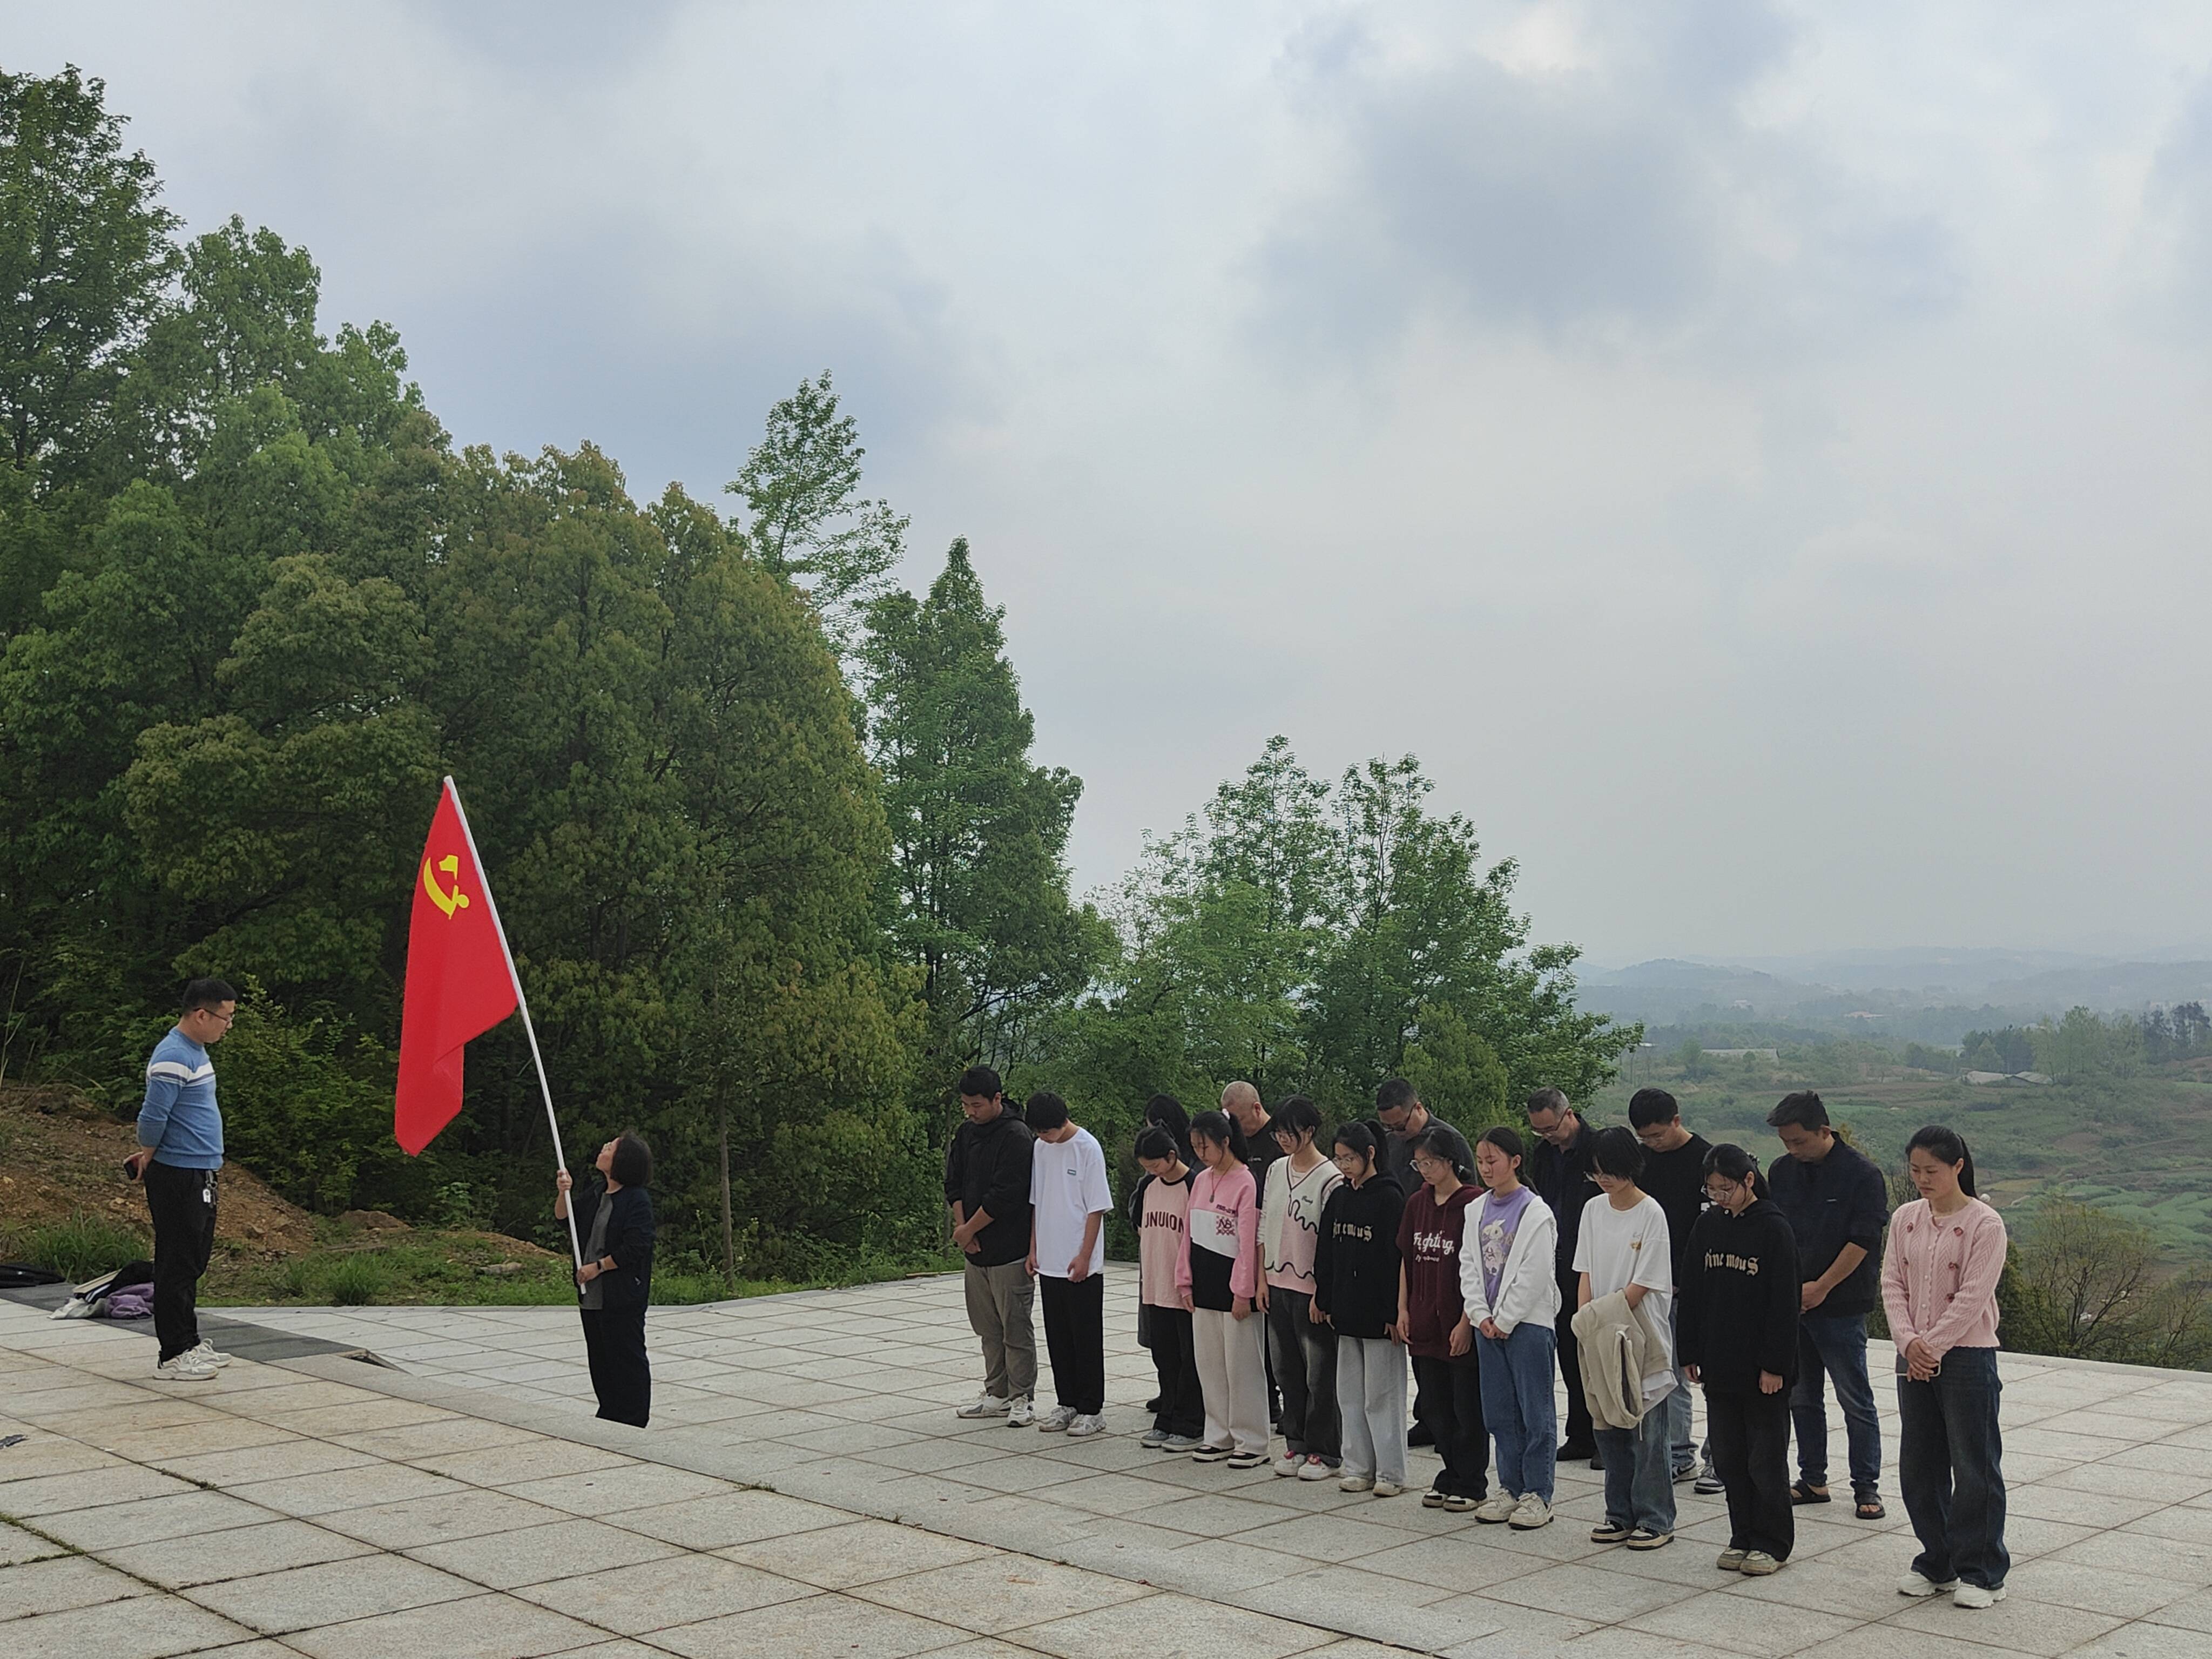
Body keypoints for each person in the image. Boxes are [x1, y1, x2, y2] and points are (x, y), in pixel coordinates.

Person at [1885, 1125, 2010, 1611]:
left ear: (1958, 1167)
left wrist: (1930, 1347)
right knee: (1920, 1464)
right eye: (1914, 1171)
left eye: (1931, 1171)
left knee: (1974, 1464)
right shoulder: (1906, 1218)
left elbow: (1973, 1297)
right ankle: (1937, 1562)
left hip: (1966, 1357)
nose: (1921, 1180)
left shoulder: (1986, 1224)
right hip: (1912, 1353)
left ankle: (1983, 1571)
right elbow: (1893, 1282)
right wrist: (1908, 1342)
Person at [1765, 1091, 1890, 1520]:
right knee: (1802, 1396)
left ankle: (1866, 1486)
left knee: (1854, 1398)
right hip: (1791, 1304)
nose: (1792, 1150)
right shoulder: (1781, 1172)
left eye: (1799, 1141)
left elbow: (1863, 1239)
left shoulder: (1862, 1175)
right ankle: (1813, 1478)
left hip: (1841, 1303)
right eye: (1786, 1143)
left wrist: (1821, 1286)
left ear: (1824, 1130)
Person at [1679, 1143, 1798, 1577]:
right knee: (1729, 1457)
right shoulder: (1707, 1225)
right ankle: (1741, 1534)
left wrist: (1775, 1366)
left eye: (1725, 1188)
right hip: (1720, 1364)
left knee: (1765, 1458)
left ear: (1749, 1181)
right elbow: (1691, 1292)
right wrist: (1689, 1351)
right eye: (1711, 1189)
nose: (1718, 1196)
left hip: (1762, 1369)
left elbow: (1784, 1304)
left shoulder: (1774, 1229)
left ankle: (1773, 1541)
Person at [1571, 1126, 1677, 1550]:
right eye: (1596, 1172)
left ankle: (1656, 1518)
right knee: (1607, 1424)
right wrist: (1586, 1320)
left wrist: (1599, 1315)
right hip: (1598, 1329)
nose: (1604, 1179)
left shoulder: (1651, 1213)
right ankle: (1619, 1513)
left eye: (1611, 1171)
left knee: (1650, 1430)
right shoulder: (1593, 1210)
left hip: (1640, 1332)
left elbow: (1643, 1285)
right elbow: (1585, 1272)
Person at [128, 979, 237, 1380]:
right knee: (176, 1262)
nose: (228, 1026)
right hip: (178, 1173)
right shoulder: (173, 1055)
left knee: (192, 1259)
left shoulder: (197, 1052)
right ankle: (172, 1353)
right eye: (226, 1018)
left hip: (200, 1168)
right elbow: (153, 1117)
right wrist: (149, 1157)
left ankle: (188, 1341)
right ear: (201, 1015)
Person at [1460, 1126, 1559, 1530]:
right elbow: (1469, 1265)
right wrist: (1479, 1315)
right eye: (1481, 1161)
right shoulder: (1475, 1210)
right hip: (1487, 1326)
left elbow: (1534, 1273)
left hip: (1528, 1324)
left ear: (1515, 1162)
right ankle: (1510, 1486)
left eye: (1493, 1160)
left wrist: (1505, 1319)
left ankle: (1539, 1493)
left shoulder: (1536, 1212)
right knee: (1500, 1412)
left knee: (1536, 1412)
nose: (1486, 1168)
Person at [1396, 1123, 1490, 1513]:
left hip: (1458, 1320)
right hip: (1422, 1319)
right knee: (1434, 1407)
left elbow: (1482, 1270)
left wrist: (1467, 1321)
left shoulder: (1474, 1204)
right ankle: (1448, 1473)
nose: (1425, 1170)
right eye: (1418, 1164)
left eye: (1430, 1162)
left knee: (1466, 1408)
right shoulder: (1417, 1203)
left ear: (1451, 1161)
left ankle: (1471, 1481)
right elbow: (1406, 1258)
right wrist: (1401, 1309)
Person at [1314, 1121, 1408, 1496]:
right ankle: (1357, 1465)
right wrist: (1325, 1298)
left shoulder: (1390, 1198)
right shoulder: (1338, 1198)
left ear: (1370, 1154)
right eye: (1338, 1159)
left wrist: (1393, 1313)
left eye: (1349, 1158)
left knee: (1381, 1397)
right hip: (1346, 1312)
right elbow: (1326, 1252)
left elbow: (1396, 1259)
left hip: (1379, 1316)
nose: (1343, 1166)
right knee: (1350, 1395)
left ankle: (1390, 1472)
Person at [945, 1065, 1040, 1427]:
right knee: (987, 1328)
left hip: (1009, 1250)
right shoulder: (966, 1133)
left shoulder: (1017, 1136)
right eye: (966, 1105)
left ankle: (1022, 1397)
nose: (971, 1112)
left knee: (1015, 1326)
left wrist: (970, 1228)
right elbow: (953, 1182)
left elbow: (1007, 1194)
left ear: (998, 1099)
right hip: (975, 1250)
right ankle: (996, 1392)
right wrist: (963, 1229)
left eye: (978, 1105)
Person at [1629, 1088, 1714, 1486]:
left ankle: (1720, 1457)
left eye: (1658, 1136)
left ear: (1677, 1121)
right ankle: (1680, 1453)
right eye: (1644, 1138)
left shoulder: (1707, 1161)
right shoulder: (1642, 1163)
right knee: (1671, 1373)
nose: (1652, 1144)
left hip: (1703, 1288)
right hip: (1656, 1290)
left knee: (1714, 1377)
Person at [1177, 1108, 1269, 1468]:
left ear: (1226, 1141)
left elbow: (1248, 1242)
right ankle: (1218, 1434)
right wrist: (1184, 1279)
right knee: (1211, 1364)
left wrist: (1243, 1291)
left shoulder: (1247, 1181)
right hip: (1203, 1284)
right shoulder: (1200, 1180)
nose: (1200, 1152)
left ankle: (1253, 1439)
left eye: (1206, 1145)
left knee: (1242, 1366)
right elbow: (1188, 1233)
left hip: (1234, 1288)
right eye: (1195, 1145)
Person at [1258, 1095, 1343, 1480]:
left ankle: (1325, 1450)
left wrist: (1322, 1293)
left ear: (1309, 1131)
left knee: (1319, 1374)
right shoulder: (1276, 1170)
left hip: (1309, 1289)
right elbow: (1265, 1225)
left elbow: (1330, 1244)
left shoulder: (1331, 1178)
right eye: (1278, 1132)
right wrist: (1261, 1278)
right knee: (1285, 1370)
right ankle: (1296, 1442)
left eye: (1289, 1132)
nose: (1282, 1139)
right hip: (1276, 1283)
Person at [1024, 1093, 1112, 1438]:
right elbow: (1037, 1199)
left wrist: (1085, 1254)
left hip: (1080, 1259)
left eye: (1049, 1131)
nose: (1046, 1138)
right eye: (1041, 1133)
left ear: (1063, 1121)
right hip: (1049, 1256)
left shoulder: (1087, 1148)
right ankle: (1068, 1401)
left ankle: (1092, 1407)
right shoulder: (1040, 1148)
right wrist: (1034, 1248)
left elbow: (1097, 1208)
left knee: (1085, 1335)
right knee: (1058, 1335)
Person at [556, 1132, 658, 1426]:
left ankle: (633, 1417)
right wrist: (563, 1192)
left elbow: (637, 1246)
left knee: (626, 1356)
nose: (604, 1148)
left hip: (621, 1294)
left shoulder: (636, 1200)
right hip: (592, 1295)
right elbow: (566, 1219)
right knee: (600, 1358)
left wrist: (598, 1267)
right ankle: (609, 1412)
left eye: (611, 1147)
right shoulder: (597, 1192)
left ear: (622, 1160)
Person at [1526, 1087, 1602, 1462]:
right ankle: (1580, 1434)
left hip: (1589, 1261)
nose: (1548, 1136)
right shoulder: (1542, 1154)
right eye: (1539, 1131)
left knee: (1597, 1354)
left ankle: (1607, 1436)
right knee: (1568, 1354)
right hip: (1551, 1260)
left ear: (1569, 1115)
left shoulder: (1596, 1149)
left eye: (1551, 1128)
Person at [1375, 1078, 1448, 1446]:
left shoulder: (1446, 1142)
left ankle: (1442, 1416)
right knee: (1414, 1338)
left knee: (1437, 1340)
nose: (1395, 1132)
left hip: (1437, 1251)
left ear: (1418, 1109)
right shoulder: (1392, 1144)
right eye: (1388, 1126)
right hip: (1402, 1249)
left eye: (1400, 1125)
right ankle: (1426, 1415)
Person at [1134, 1127, 1204, 1449]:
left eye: (1156, 1165)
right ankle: (1167, 1415)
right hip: (1155, 1286)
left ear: (1172, 1156)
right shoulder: (1149, 1186)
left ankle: (1190, 1423)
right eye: (1146, 1167)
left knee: (1189, 1358)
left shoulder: (1195, 1184)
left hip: (1184, 1290)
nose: (1151, 1172)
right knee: (1164, 1357)